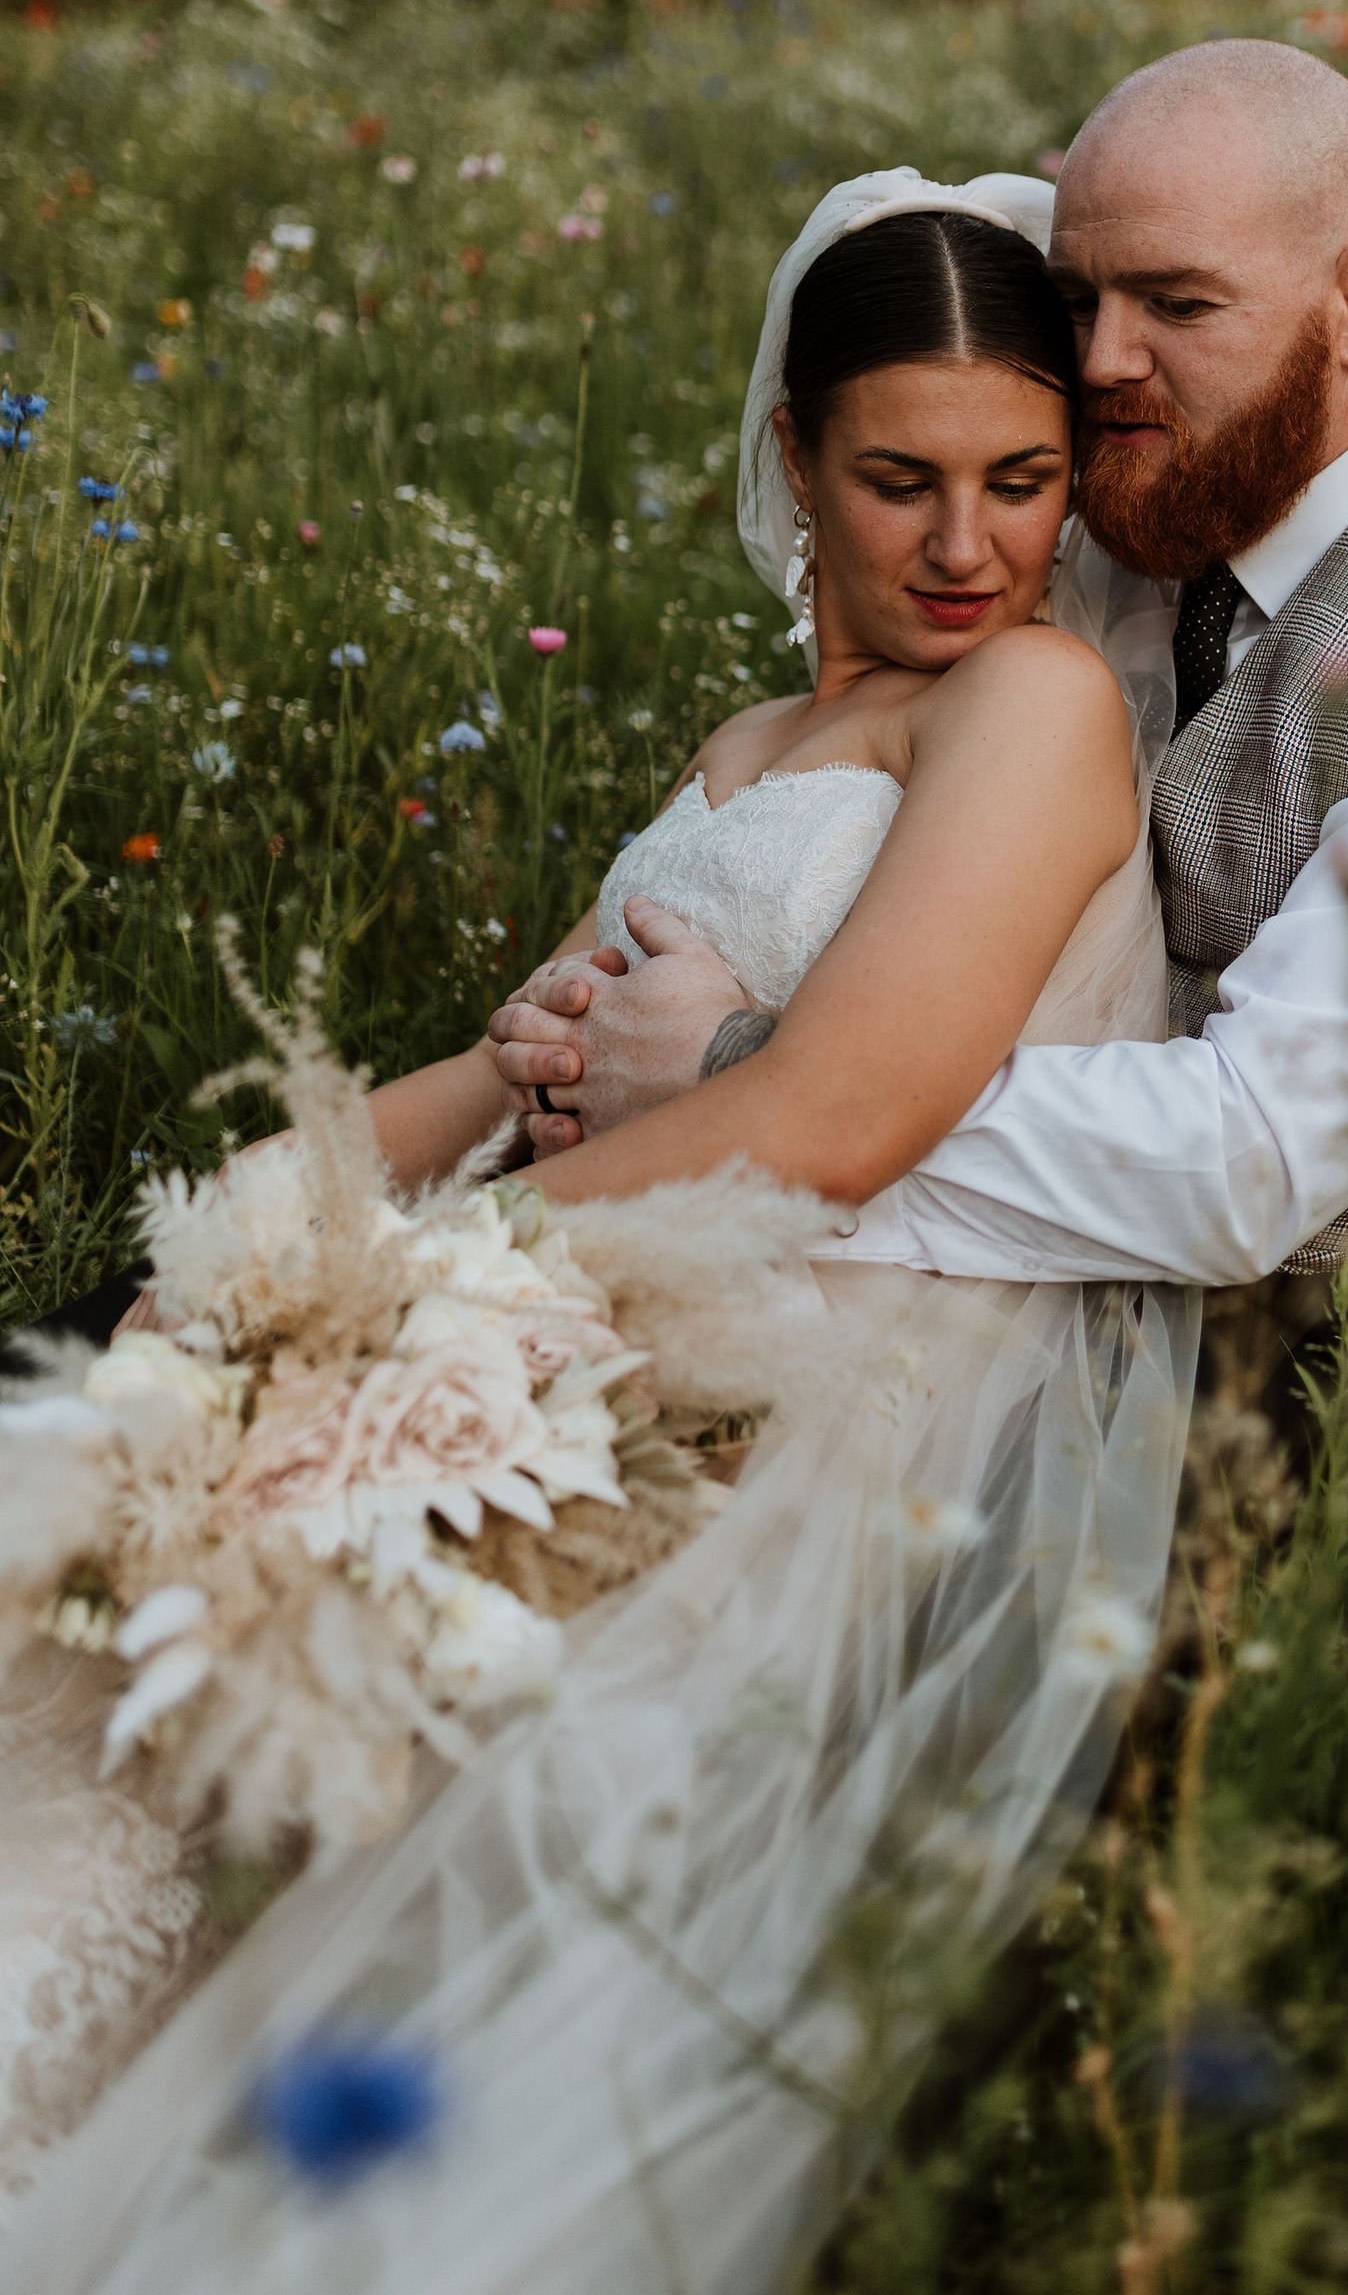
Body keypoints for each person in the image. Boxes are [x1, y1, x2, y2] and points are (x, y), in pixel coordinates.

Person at [0, 176, 1198, 2291]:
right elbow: (497, 1069)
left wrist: (366, 1312)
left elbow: (834, 1120)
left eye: (1022, 483)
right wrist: (233, 1254)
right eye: (898, 481)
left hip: (723, 1358)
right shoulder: (750, 746)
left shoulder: (1028, 712)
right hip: (529, 1267)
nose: (965, 547)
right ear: (791, 467)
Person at [490, 40, 1348, 1311]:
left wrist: (738, 1073)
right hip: (914, 1309)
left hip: (1333, 1428)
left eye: (1177, 306)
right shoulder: (1101, 504)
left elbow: (1248, 1159)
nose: (1104, 362)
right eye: (1078, 302)